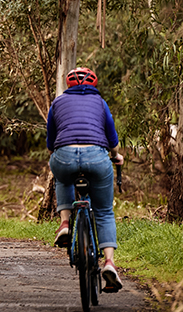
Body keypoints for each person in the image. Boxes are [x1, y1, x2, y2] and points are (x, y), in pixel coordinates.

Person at [46, 67, 125, 292]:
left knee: (62, 178)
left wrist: (61, 154)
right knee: (104, 211)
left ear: (69, 84)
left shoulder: (57, 102)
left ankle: (64, 223)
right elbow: (112, 137)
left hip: (64, 156)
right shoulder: (100, 103)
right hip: (96, 158)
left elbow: (51, 143)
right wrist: (115, 156)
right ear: (93, 84)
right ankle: (109, 263)